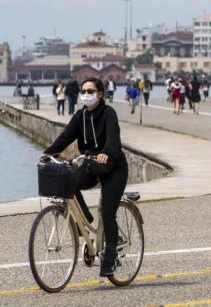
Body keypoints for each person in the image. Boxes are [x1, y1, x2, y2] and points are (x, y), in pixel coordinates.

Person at [42, 78, 128, 277]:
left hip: (114, 167)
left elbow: (114, 138)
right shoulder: (80, 116)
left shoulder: (109, 113)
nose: (86, 94)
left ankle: (110, 256)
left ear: (100, 94)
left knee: (107, 212)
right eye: (83, 91)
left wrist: (106, 151)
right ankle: (86, 219)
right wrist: (48, 153)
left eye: (91, 91)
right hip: (91, 165)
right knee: (68, 183)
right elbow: (66, 136)